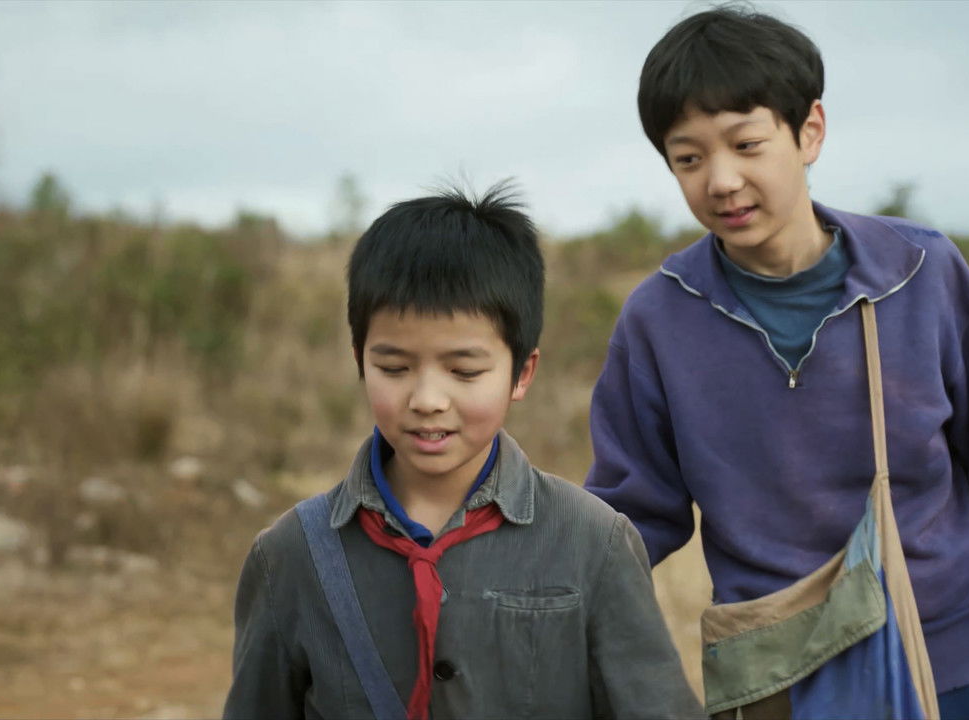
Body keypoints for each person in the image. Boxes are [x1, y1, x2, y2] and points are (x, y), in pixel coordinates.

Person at [584, 6, 969, 719]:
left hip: (933, 672)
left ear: (810, 132)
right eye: (689, 159)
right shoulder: (660, 317)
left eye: (746, 143)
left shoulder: (920, 274)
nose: (722, 180)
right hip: (769, 682)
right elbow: (629, 517)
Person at [224, 183, 704, 720]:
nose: (427, 399)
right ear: (360, 360)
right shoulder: (291, 556)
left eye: (465, 371)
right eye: (394, 368)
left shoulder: (594, 542)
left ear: (522, 373)